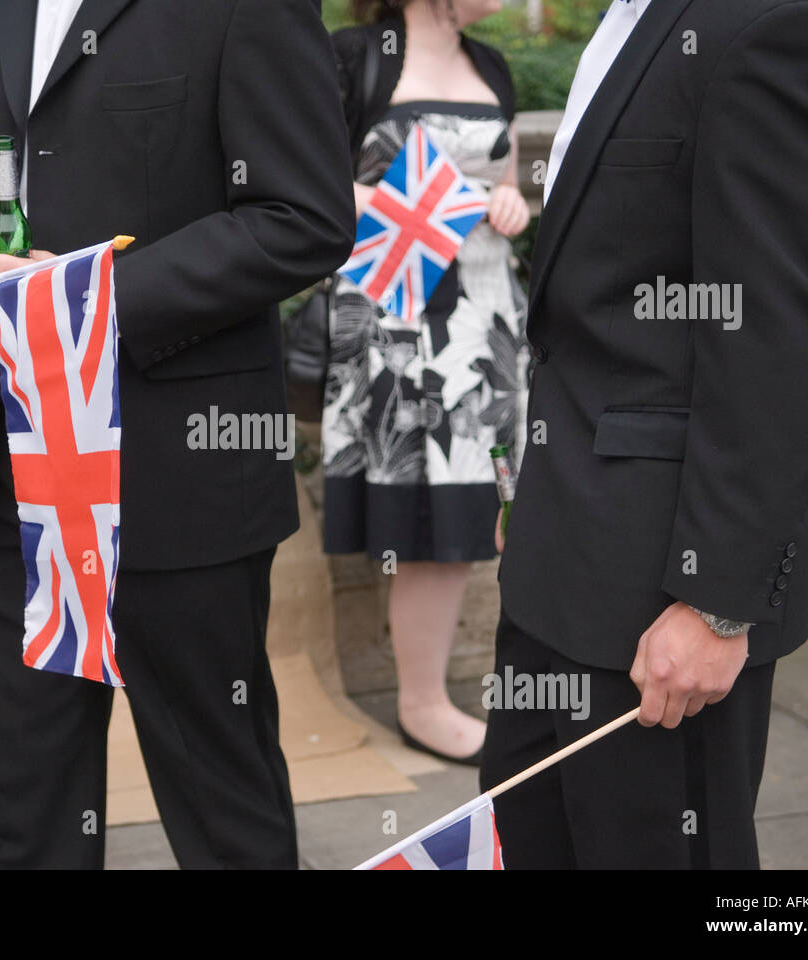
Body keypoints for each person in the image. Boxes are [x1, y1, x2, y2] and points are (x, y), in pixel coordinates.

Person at [0, 0, 356, 868]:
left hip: (179, 477)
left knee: (224, 812)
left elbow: (306, 218)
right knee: (29, 817)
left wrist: (89, 302)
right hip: (7, 474)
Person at [483, 0, 808, 867]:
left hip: (663, 597)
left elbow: (777, 337)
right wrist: (534, 489)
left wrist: (717, 602)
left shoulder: (776, 23)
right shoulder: (634, 18)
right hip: (557, 554)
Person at [322, 0, 530, 764]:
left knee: (482, 506)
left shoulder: (492, 66)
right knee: (425, 517)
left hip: (485, 320)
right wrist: (431, 207)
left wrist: (508, 203)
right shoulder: (356, 58)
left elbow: (505, 180)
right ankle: (422, 703)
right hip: (398, 320)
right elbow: (309, 186)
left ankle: (437, 694)